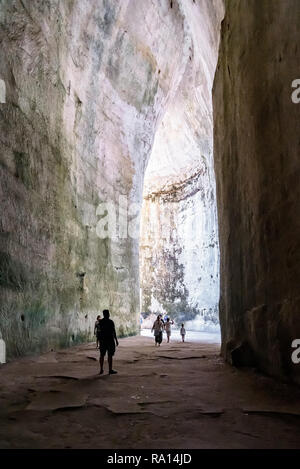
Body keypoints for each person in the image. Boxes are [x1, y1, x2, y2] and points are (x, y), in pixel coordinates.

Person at [98, 310, 119, 375]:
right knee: (110, 355)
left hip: (103, 341)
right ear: (107, 314)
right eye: (108, 313)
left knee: (102, 355)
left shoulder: (101, 322)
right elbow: (114, 331)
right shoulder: (110, 322)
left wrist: (99, 341)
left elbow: (99, 332)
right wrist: (116, 340)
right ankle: (110, 370)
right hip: (109, 340)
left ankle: (101, 369)